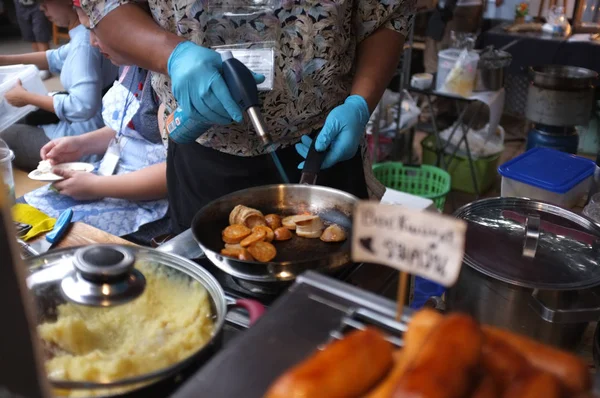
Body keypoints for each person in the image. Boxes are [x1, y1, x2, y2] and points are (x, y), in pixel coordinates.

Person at [79, 0, 414, 234]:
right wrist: (173, 54)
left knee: (331, 298)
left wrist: (360, 103)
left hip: (322, 145)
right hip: (203, 146)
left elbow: (388, 13)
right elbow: (105, 7)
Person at [22, 58, 169, 246]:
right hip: (106, 177)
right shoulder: (129, 64)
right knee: (22, 215)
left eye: (96, 30)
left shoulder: (170, 81)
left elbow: (175, 170)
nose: (92, 41)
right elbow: (127, 129)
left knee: (48, 240)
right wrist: (81, 144)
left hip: (149, 204)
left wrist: (97, 186)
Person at [0, 0, 117, 171]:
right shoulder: (83, 36)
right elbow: (55, 57)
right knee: (18, 117)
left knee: (4, 135)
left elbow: (83, 106)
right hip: (90, 129)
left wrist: (26, 97)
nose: (41, 7)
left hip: (81, 141)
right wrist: (5, 61)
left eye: (45, 2)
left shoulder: (85, 44)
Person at [13, 0, 52, 80]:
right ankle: (39, 63)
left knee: (40, 33)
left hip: (37, 3)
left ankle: (46, 67)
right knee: (30, 35)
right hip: (20, 3)